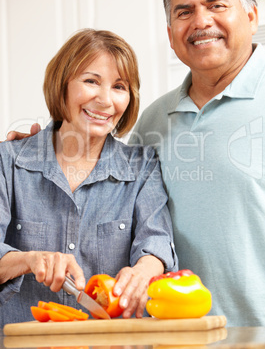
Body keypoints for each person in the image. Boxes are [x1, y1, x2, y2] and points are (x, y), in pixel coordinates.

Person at [0, 28, 177, 327]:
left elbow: (156, 242)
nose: (105, 100)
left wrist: (143, 272)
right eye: (91, 81)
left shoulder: (142, 166)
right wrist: (29, 260)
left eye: (119, 86)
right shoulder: (8, 162)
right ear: (62, 84)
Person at [129, 0, 265, 327]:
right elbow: (106, 207)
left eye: (216, 5)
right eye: (184, 12)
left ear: (252, 16)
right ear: (171, 35)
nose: (201, 21)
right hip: (177, 336)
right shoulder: (152, 120)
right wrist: (46, 150)